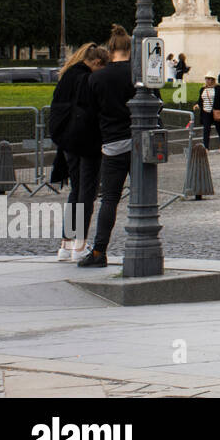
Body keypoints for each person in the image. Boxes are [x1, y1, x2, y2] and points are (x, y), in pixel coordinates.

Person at [77, 25, 133, 268]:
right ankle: (144, 247)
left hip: (113, 143)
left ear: (110, 50)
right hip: (141, 142)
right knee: (145, 198)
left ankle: (99, 252)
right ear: (130, 48)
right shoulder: (138, 74)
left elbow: (89, 114)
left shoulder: (96, 77)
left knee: (109, 199)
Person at [49, 43, 109, 262]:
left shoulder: (68, 75)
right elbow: (94, 110)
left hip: (66, 140)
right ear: (96, 63)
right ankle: (80, 245)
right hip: (87, 140)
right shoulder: (87, 79)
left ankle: (66, 244)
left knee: (76, 190)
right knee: (87, 192)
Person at [194, 71, 220, 152]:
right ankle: (206, 147)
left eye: (211, 79)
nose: (209, 81)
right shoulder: (203, 89)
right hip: (206, 112)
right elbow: (200, 100)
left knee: (219, 128)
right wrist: (197, 105)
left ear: (214, 80)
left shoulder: (218, 89)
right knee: (206, 129)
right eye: (207, 79)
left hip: (216, 111)